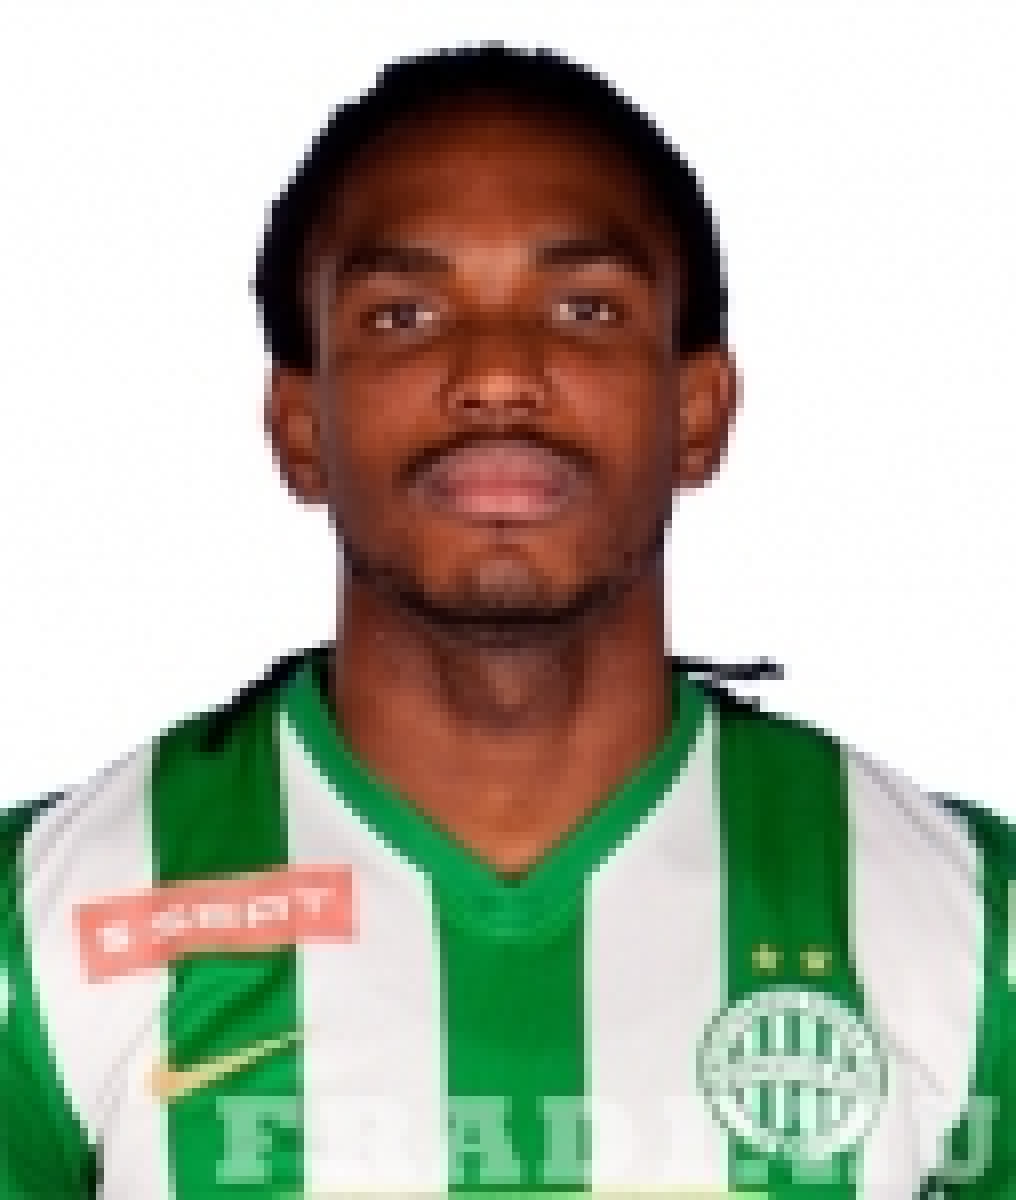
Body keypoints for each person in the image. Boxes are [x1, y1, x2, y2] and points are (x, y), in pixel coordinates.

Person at [1, 42, 1013, 1199]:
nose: (494, 375)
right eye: (402, 314)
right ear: (298, 425)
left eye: (584, 309)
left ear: (698, 413)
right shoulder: (40, 934)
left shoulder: (967, 930)